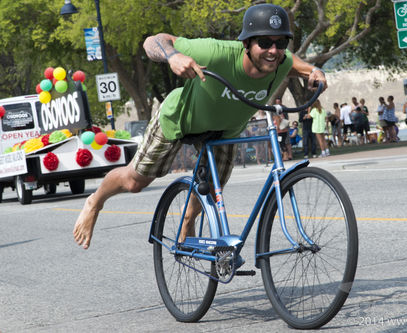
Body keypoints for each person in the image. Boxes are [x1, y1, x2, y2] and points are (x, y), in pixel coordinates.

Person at [72, 3, 327, 249]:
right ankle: (95, 202)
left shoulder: (279, 61)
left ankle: (187, 222)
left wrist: (314, 71)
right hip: (180, 119)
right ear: (246, 43)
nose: (273, 50)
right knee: (135, 182)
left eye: (280, 42)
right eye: (265, 42)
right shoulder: (215, 52)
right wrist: (173, 56)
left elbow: (295, 63)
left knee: (211, 192)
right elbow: (154, 41)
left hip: (224, 131)